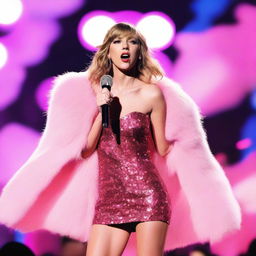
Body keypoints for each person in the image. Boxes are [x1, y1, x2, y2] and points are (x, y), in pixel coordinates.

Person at [0, 22, 241, 255]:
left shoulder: (152, 94)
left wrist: (185, 142)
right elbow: (85, 152)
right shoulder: (95, 92)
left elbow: (162, 148)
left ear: (140, 50)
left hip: (148, 193)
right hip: (109, 198)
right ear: (108, 50)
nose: (125, 47)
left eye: (132, 42)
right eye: (118, 42)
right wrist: (100, 111)